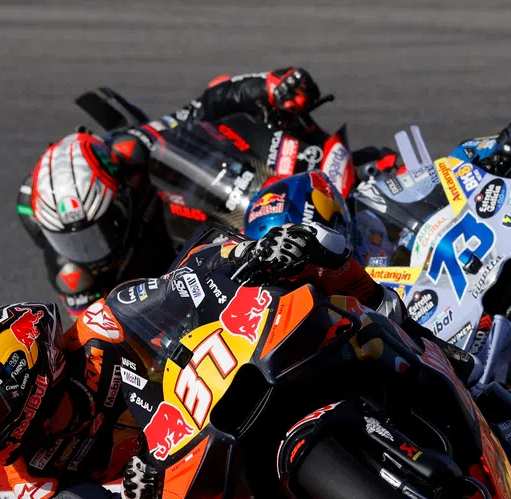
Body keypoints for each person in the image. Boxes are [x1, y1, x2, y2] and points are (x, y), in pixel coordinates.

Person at [0, 221, 401, 499]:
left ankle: (383, 307)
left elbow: (187, 282)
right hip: (179, 464)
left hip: (219, 378)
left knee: (311, 243)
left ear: (24, 369)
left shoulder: (102, 326)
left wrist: (249, 255)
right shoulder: (30, 477)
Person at [18, 68, 326, 316]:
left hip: (202, 234)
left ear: (119, 196)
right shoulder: (73, 275)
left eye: (99, 230)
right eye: (73, 242)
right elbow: (95, 341)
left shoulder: (130, 150)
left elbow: (202, 107)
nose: (91, 252)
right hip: (164, 305)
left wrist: (266, 86)